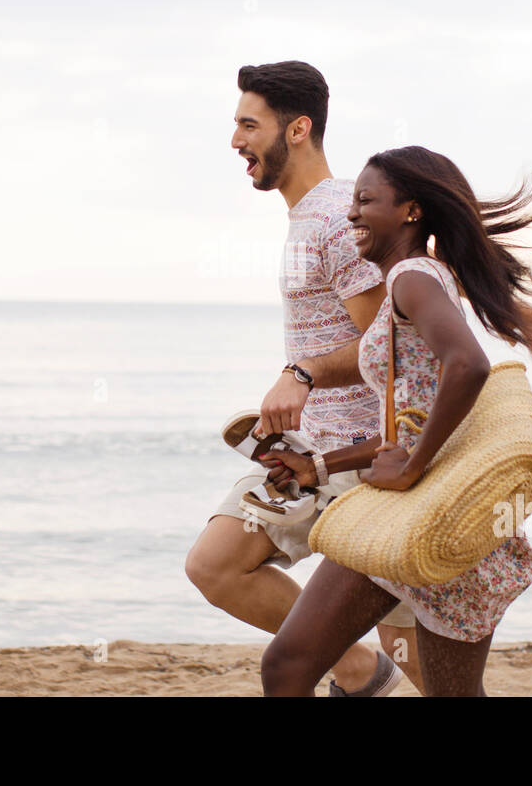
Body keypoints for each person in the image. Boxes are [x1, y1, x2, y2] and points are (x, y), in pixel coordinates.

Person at [258, 145, 532, 697]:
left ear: (410, 211)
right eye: (352, 201)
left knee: (287, 668)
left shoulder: (411, 278)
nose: (351, 214)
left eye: (365, 200)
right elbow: (408, 428)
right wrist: (317, 467)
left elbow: (469, 364)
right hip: (444, 514)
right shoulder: (419, 278)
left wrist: (411, 467)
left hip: (425, 510)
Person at [184, 61, 424, 696]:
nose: (236, 140)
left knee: (419, 657)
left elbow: (388, 344)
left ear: (297, 129)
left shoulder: (335, 224)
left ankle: (366, 671)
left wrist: (302, 373)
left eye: (247, 124)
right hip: (311, 456)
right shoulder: (308, 220)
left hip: (364, 462)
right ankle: (356, 670)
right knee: (216, 564)